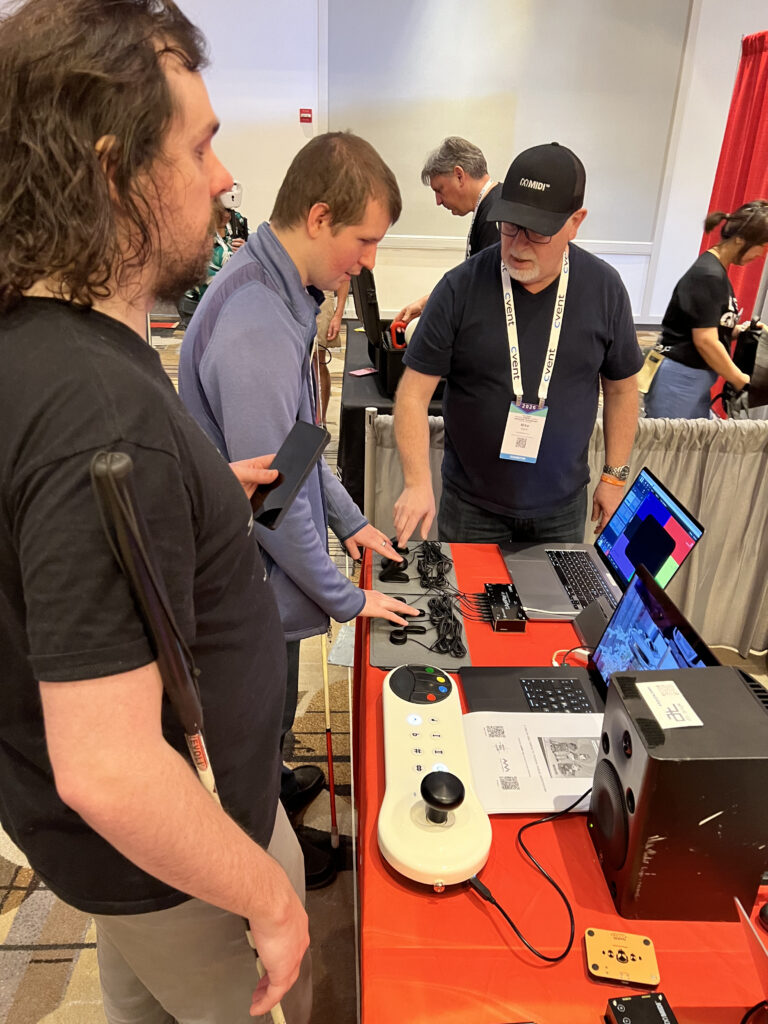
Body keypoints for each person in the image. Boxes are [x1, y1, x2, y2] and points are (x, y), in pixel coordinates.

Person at [0, 2, 312, 1021]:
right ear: (110, 174)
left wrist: (194, 491)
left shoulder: (39, 348)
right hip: (175, 856)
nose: (223, 175)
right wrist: (266, 892)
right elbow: (109, 765)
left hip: (123, 866)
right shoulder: (96, 409)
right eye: (202, 142)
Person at [178, 132, 416, 881]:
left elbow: (301, 444)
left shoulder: (284, 294)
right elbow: (277, 504)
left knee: (273, 712)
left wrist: (353, 521)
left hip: (261, 580)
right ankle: (263, 854)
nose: (369, 261)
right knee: (250, 723)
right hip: (241, 582)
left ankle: (275, 787)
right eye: (365, 240)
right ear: (319, 217)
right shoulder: (255, 322)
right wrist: (349, 598)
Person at [393, 142, 643, 548]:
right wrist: (417, 483)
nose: (518, 245)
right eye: (510, 225)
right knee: (464, 610)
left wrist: (614, 478)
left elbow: (621, 388)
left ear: (575, 222)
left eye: (537, 231)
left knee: (554, 611)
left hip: (562, 508)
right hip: (472, 506)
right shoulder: (460, 287)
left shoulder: (604, 289)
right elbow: (412, 394)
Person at [644, 201, 768, 419]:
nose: (760, 254)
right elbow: (705, 340)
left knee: (687, 446)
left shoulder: (716, 272)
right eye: (761, 246)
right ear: (740, 239)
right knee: (670, 447)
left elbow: (706, 326)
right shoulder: (708, 275)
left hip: (692, 378)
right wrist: (739, 379)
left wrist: (739, 331)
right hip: (680, 378)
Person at [395, 137, 501, 324]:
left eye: (440, 189)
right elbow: (472, 281)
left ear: (459, 176)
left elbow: (486, 295)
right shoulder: (489, 207)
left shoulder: (494, 217)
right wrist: (427, 302)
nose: (438, 201)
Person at [314, 281, 349, 425]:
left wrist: (338, 315)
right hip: (293, 298)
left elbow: (344, 279)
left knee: (318, 359)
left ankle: (320, 419)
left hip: (322, 295)